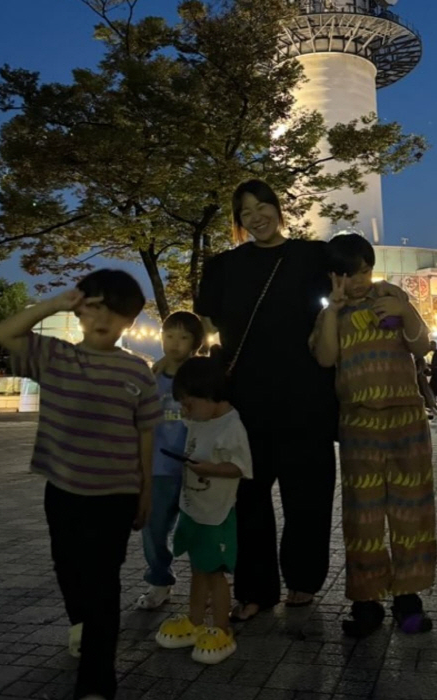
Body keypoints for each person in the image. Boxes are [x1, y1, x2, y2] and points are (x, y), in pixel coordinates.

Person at [0, 269, 162, 700]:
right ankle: (82, 626)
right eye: (95, 305)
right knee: (68, 569)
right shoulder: (54, 356)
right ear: (81, 308)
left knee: (103, 582)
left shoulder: (138, 373)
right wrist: (54, 303)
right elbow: (4, 332)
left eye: (116, 311)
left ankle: (96, 682)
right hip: (64, 488)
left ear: (129, 320)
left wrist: (146, 490)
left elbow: (146, 435)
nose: (103, 317)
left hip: (116, 495)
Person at [194, 179, 338, 619]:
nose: (256, 216)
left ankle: (303, 581)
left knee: (308, 499)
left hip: (307, 399)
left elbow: (353, 281)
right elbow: (204, 322)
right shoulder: (223, 267)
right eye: (245, 212)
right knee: (249, 501)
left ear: (279, 208)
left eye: (263, 206)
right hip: (247, 404)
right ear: (238, 222)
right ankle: (254, 590)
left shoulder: (312, 256)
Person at [311, 233, 436, 638]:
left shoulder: (391, 294)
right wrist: (333, 309)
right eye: (348, 274)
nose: (359, 280)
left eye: (364, 270)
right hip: (358, 423)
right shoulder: (331, 313)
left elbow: (422, 346)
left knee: (412, 511)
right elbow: (326, 358)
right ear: (334, 277)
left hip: (406, 420)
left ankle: (408, 598)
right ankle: (366, 601)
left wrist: (406, 311)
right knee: (362, 517)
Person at [156, 357, 252, 664]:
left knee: (214, 573)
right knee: (198, 568)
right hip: (194, 508)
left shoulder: (231, 425)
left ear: (209, 394)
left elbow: (240, 467)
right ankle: (195, 622)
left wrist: (209, 468)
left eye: (188, 402)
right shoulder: (201, 417)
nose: (185, 410)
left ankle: (221, 630)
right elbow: (185, 418)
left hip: (217, 513)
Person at [138, 311, 205, 611]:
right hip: (159, 468)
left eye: (183, 337)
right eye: (169, 336)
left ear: (195, 343)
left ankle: (206, 584)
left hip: (196, 467)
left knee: (200, 529)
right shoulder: (152, 376)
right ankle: (159, 581)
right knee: (153, 529)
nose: (174, 343)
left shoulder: (201, 375)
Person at [415, 356, 437, 421]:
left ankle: (436, 413)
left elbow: (419, 370)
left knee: (425, 397)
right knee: (425, 397)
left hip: (420, 381)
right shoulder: (420, 359)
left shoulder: (418, 359)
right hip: (421, 380)